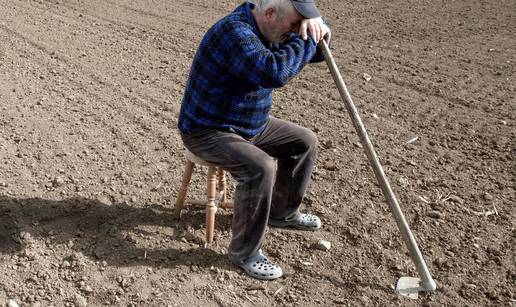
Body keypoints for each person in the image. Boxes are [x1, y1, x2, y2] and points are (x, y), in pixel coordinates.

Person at [177, 0, 331, 280]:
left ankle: (282, 213)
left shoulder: (272, 27)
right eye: (294, 24)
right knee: (260, 166)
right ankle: (245, 253)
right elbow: (273, 72)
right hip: (208, 129)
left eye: (300, 24)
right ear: (270, 13)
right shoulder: (234, 33)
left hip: (248, 124)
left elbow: (317, 53)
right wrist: (305, 38)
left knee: (304, 141)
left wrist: (316, 27)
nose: (296, 31)